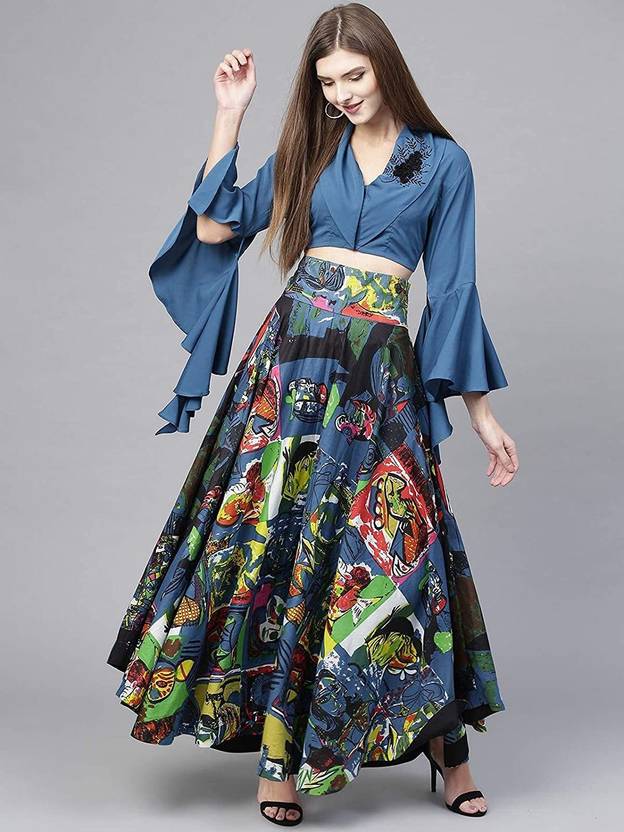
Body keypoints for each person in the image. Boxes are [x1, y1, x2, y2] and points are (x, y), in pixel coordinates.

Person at [106, 2, 519, 826]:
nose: (343, 94)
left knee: (397, 558)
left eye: (355, 76)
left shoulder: (443, 162)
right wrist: (229, 115)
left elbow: (455, 291)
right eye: (329, 82)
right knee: (275, 552)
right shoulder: (311, 149)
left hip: (377, 379)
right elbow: (214, 225)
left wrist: (479, 413)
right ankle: (278, 763)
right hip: (291, 367)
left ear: (386, 67)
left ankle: (450, 754)